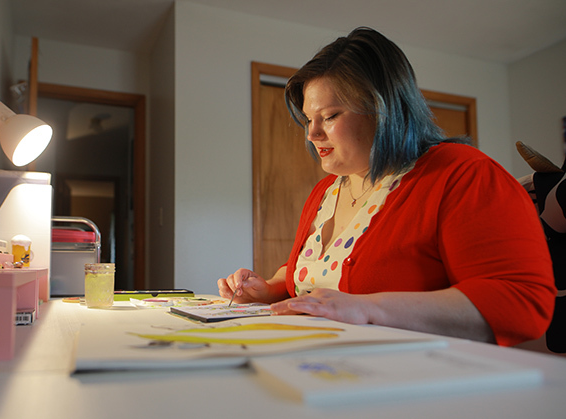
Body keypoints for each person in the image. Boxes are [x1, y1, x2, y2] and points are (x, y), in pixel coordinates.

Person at [217, 27, 555, 346]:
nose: (312, 133)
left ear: (384, 109)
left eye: (330, 116)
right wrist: (272, 286)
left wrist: (369, 309)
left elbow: (521, 302)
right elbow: (321, 269)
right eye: (309, 119)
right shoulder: (325, 192)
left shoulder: (462, 174)